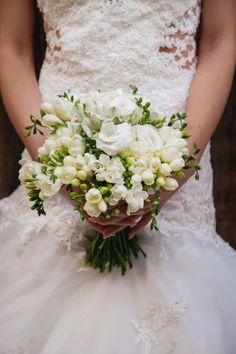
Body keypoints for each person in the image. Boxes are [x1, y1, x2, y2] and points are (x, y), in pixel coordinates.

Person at [0, 0, 235, 353]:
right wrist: (58, 165)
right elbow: (12, 47)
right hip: (58, 150)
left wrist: (179, 165)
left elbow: (220, 41)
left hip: (175, 155)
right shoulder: (58, 163)